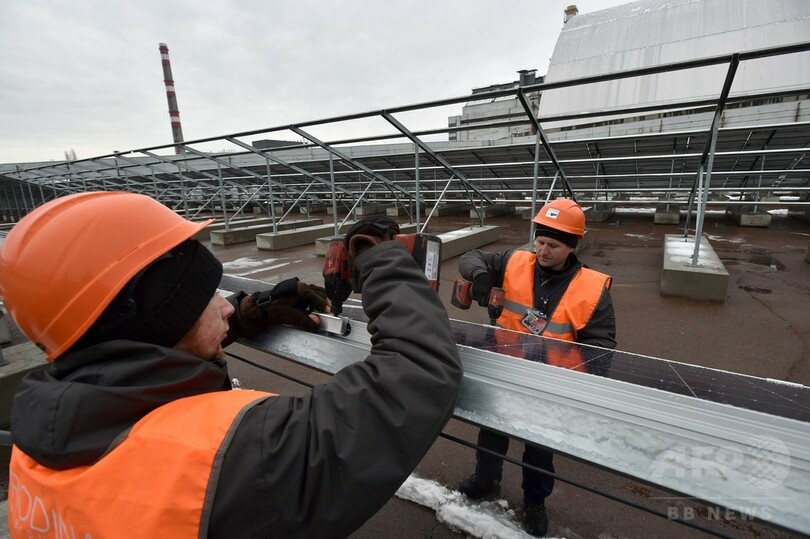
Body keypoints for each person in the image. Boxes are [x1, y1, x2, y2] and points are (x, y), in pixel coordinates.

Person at [0, 191, 462, 538]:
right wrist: (381, 261)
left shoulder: (38, 438)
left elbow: (135, 369)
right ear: (157, 319)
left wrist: (243, 317)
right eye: (204, 298)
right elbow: (413, 372)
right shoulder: (235, 461)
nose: (224, 307)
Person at [456, 198, 615, 536]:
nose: (542, 250)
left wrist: (578, 389)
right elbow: (471, 258)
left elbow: (602, 349)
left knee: (540, 449)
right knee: (491, 433)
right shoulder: (515, 261)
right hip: (504, 370)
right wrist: (481, 275)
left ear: (572, 246)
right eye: (539, 241)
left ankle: (535, 503)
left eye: (553, 245)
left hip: (550, 385)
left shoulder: (591, 289)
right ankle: (486, 478)